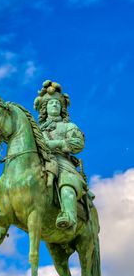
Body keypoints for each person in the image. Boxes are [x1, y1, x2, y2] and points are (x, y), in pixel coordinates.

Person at [34, 80, 86, 230]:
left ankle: (69, 215)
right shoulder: (36, 129)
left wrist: (55, 144)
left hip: (63, 162)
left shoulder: (69, 126)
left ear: (62, 107)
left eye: (57, 103)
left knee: (65, 181)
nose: (55, 105)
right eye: (51, 103)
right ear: (45, 108)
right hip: (39, 161)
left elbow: (78, 144)